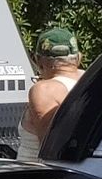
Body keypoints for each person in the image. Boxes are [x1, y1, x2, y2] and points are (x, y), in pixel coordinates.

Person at [16, 26, 83, 160]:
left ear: (38, 60)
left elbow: (50, 150)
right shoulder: (90, 81)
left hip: (35, 176)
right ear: (79, 57)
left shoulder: (44, 90)